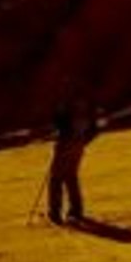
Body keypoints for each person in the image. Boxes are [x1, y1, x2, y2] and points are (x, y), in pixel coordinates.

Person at [47, 90, 101, 225]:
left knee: (56, 178)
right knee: (71, 177)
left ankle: (55, 212)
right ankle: (76, 210)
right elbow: (94, 128)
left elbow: (59, 122)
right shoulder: (87, 104)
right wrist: (83, 141)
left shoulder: (66, 103)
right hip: (78, 145)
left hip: (66, 144)